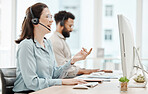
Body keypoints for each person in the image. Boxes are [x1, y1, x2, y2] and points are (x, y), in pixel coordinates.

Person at [13, 3, 92, 93]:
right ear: (35, 21)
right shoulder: (26, 45)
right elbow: (32, 83)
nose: (51, 21)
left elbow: (54, 75)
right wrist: (63, 82)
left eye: (51, 17)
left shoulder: (47, 43)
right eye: (48, 17)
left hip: (45, 91)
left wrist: (72, 61)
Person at [50, 11, 99, 78]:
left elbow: (68, 65)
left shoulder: (61, 40)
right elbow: (62, 69)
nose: (71, 29)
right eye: (70, 26)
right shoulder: (55, 42)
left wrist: (79, 63)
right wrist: (85, 71)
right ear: (61, 24)